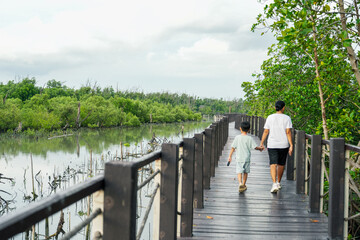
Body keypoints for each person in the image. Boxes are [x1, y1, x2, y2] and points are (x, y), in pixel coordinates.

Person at [259, 100, 293, 193]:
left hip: (272, 144)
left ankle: (274, 183)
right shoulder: (287, 118)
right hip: (283, 144)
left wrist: (261, 143)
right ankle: (278, 182)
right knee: (281, 164)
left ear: (275, 107)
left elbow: (266, 131)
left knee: (273, 163)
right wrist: (291, 145)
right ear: (283, 108)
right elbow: (288, 132)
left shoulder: (270, 117)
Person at [228, 121, 264, 193]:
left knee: (239, 171)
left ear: (240, 129)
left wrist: (230, 156)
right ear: (249, 130)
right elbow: (255, 147)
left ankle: (240, 183)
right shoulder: (249, 138)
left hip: (239, 158)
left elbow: (233, 148)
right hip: (246, 158)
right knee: (245, 172)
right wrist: (260, 148)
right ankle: (244, 185)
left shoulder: (237, 137)